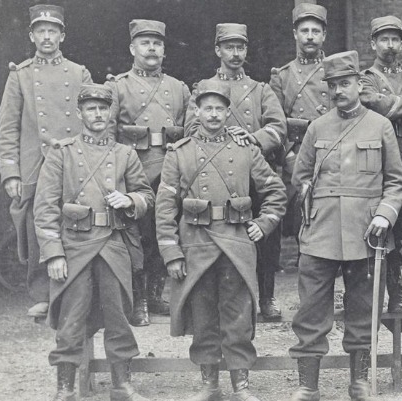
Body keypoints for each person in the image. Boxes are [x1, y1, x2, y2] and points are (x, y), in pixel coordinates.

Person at [156, 80, 286, 401]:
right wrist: (171, 252)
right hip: (195, 244)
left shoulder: (245, 149)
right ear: (197, 112)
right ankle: (209, 386)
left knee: (238, 316)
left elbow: (275, 190)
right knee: (203, 317)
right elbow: (165, 206)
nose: (213, 115)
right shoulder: (179, 153)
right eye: (207, 108)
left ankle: (241, 387)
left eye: (219, 109)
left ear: (229, 112)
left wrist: (264, 224)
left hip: (236, 243)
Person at [288, 50, 402, 401]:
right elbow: (300, 177)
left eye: (345, 83)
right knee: (311, 310)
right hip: (321, 231)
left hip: (366, 231)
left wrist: (384, 214)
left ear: (359, 84)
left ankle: (359, 381)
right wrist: (312, 202)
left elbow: (396, 182)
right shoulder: (317, 127)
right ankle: (308, 385)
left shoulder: (380, 125)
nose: (339, 90)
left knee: (364, 309)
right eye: (333, 85)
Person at [34, 84, 153, 401]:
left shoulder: (125, 154)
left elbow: (146, 195)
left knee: (118, 316)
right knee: (71, 318)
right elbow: (45, 208)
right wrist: (53, 254)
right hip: (74, 246)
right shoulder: (62, 153)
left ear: (110, 112)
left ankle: (121, 386)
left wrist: (130, 200)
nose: (98, 114)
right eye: (91, 108)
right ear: (80, 113)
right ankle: (65, 390)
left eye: (103, 108)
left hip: (113, 244)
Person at [185, 23, 288, 321]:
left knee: (266, 235)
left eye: (240, 47)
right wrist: (226, 138)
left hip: (253, 171)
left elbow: (278, 127)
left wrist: (252, 138)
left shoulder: (261, 89)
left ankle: (266, 296)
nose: (235, 53)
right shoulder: (203, 88)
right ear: (218, 50)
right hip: (215, 173)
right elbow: (190, 128)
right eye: (229, 47)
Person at [0, 4, 92, 319]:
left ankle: (77, 293)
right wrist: (11, 172)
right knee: (38, 224)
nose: (47, 37)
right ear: (31, 35)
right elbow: (8, 127)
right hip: (36, 162)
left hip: (72, 160)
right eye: (41, 31)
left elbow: (94, 119)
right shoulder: (21, 75)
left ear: (62, 35)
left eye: (53, 31)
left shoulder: (79, 73)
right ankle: (42, 294)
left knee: (76, 221)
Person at [105, 19, 191, 327]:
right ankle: (138, 299)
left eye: (157, 44)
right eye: (145, 43)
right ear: (132, 48)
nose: (151, 49)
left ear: (164, 51)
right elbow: (108, 134)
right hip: (134, 173)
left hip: (169, 172)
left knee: (163, 231)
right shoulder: (118, 87)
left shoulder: (179, 89)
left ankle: (155, 294)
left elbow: (191, 133)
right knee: (136, 237)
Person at [359, 15, 402, 313]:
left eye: (395, 39)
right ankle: (390, 292)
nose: (390, 45)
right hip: (380, 161)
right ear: (373, 43)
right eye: (384, 39)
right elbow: (374, 104)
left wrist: (400, 104)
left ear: (401, 43)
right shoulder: (366, 79)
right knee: (384, 229)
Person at [269, 3, 336, 275]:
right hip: (295, 155)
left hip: (330, 153)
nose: (310, 36)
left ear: (324, 35)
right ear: (295, 34)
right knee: (298, 210)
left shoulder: (335, 71)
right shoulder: (282, 76)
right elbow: (274, 121)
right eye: (304, 31)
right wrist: (287, 156)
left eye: (315, 31)